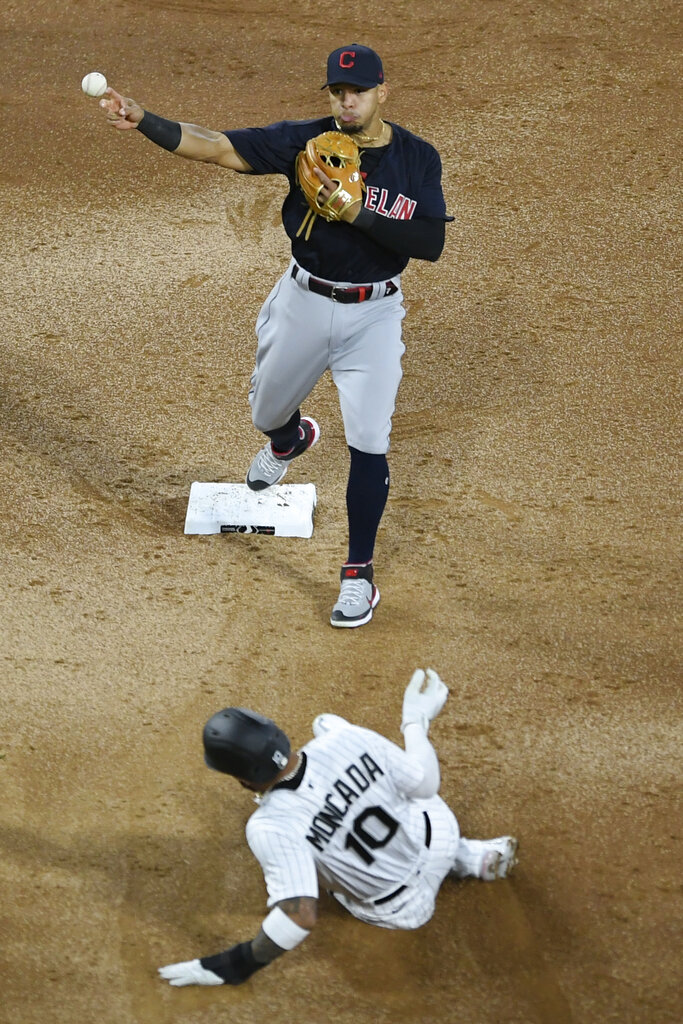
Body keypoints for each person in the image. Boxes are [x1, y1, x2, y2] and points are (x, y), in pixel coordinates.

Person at [98, 43, 453, 628]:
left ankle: (357, 574)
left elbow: (431, 244)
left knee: (369, 439)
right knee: (266, 409)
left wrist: (356, 213)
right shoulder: (303, 142)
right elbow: (217, 146)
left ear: (382, 92)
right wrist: (144, 121)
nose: (346, 102)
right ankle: (288, 440)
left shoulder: (418, 159)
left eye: (358, 91)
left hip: (375, 315)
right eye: (338, 92)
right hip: (304, 302)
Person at [157, 669, 519, 987]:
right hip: (440, 837)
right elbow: (425, 786)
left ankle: (464, 860)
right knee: (330, 725)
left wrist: (235, 965)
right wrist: (415, 722)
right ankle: (473, 857)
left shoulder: (268, 827)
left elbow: (298, 918)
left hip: (404, 910)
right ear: (275, 730)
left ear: (239, 778)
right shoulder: (347, 739)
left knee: (323, 872)